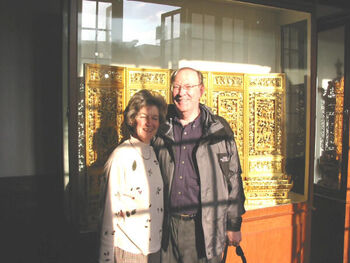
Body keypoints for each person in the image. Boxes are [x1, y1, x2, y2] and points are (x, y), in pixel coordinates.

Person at [153, 67, 246, 263]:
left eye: (188, 86)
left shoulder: (218, 130)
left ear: (201, 90)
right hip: (166, 227)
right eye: (176, 87)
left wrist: (234, 225)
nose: (181, 93)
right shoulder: (161, 129)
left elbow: (233, 180)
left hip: (203, 227)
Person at [99, 89, 167, 263]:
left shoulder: (154, 153)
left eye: (155, 118)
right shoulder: (121, 156)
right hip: (128, 250)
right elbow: (108, 211)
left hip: (154, 249)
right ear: (132, 118)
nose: (149, 123)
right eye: (144, 116)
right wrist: (106, 258)